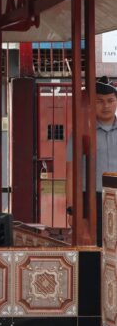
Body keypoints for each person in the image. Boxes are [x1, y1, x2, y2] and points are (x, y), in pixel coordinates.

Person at [66, 76, 117, 246]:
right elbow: (71, 170)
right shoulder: (82, 133)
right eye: (100, 101)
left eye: (110, 100)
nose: (106, 106)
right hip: (92, 200)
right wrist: (71, 209)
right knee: (94, 249)